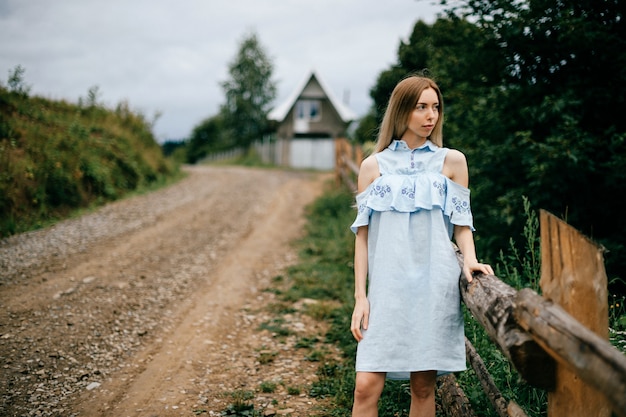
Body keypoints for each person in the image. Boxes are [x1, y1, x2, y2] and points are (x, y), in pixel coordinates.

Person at [349, 75, 493, 417]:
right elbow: (362, 237)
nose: (431, 116)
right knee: (366, 386)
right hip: (386, 289)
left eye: (436, 107)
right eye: (421, 107)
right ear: (401, 111)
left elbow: (462, 224)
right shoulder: (373, 167)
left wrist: (470, 260)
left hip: (434, 286)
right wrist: (360, 296)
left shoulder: (452, 162)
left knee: (423, 387)